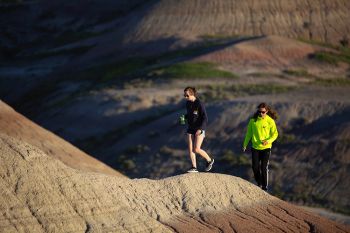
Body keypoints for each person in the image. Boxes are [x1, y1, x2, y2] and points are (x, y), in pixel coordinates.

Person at [243, 103, 278, 191]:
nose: (261, 114)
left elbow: (275, 134)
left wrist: (268, 141)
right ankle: (259, 183)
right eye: (259, 112)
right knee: (255, 167)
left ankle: (265, 186)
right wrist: (245, 144)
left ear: (266, 111)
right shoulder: (253, 121)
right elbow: (249, 133)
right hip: (255, 147)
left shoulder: (270, 121)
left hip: (266, 148)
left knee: (263, 167)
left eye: (263, 112)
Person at [183, 87, 214, 173]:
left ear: (192, 94)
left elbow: (205, 118)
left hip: (199, 128)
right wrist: (184, 117)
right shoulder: (187, 104)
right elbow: (190, 114)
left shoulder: (199, 103)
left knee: (196, 149)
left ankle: (209, 160)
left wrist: (201, 129)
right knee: (190, 149)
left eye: (187, 95)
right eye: (184, 95)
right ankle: (194, 167)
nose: (185, 97)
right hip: (190, 128)